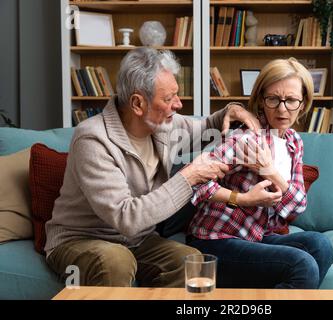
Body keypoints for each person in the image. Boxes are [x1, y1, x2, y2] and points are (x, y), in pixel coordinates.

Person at [44, 47, 261, 287]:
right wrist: (188, 178)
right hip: (79, 240)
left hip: (136, 241)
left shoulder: (163, 124)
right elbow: (126, 218)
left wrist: (232, 109)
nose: (178, 105)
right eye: (168, 99)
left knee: (190, 262)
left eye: (176, 95)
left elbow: (209, 126)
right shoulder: (93, 140)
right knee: (116, 260)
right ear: (138, 103)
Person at [186, 57, 333, 289]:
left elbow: (297, 205)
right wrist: (240, 199)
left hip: (255, 237)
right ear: (261, 100)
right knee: (302, 265)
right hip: (216, 240)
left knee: (320, 245)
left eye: (291, 100)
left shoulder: (294, 142)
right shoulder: (246, 140)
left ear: (303, 103)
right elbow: (194, 182)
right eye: (273, 99)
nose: (282, 109)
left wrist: (269, 171)